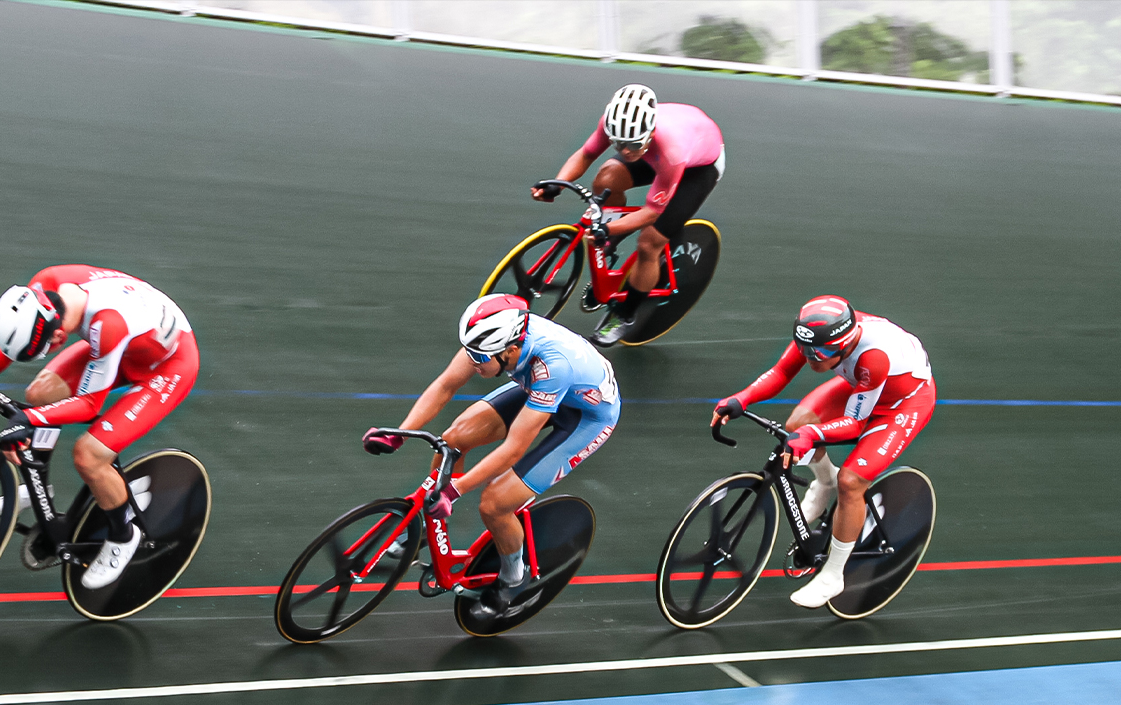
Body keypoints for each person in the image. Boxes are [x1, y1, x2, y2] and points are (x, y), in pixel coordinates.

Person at [0, 266, 197, 590]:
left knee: (90, 455)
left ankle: (123, 537)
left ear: (57, 336)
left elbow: (89, 406)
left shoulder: (107, 324)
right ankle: (39, 487)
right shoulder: (44, 287)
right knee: (40, 394)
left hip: (167, 367)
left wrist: (29, 420)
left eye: (45, 349)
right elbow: (7, 346)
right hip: (125, 345)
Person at [364, 294, 620, 614]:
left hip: (585, 419)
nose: (471, 361)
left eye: (479, 357)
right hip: (542, 393)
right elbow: (446, 385)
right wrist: (398, 433)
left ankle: (514, 576)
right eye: (469, 352)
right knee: (453, 439)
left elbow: (514, 449)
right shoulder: (488, 337)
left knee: (496, 503)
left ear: (510, 350)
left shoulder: (551, 367)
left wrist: (454, 491)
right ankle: (427, 528)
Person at [713, 295, 934, 609]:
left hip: (901, 404)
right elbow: (780, 373)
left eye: (824, 353)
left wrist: (811, 435)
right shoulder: (818, 336)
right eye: (806, 351)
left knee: (852, 481)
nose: (814, 360)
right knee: (797, 422)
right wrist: (741, 399)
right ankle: (824, 482)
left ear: (845, 344)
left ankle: (833, 574)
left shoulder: (872, 356)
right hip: (863, 385)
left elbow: (855, 424)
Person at [534, 84, 724, 347]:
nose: (625, 151)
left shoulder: (673, 148)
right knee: (606, 178)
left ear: (650, 131)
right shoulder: (616, 127)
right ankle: (610, 246)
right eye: (618, 143)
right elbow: (587, 153)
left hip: (696, 167)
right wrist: (557, 182)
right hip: (656, 150)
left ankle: (624, 314)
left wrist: (608, 229)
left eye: (632, 144)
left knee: (649, 243)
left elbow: (651, 212)